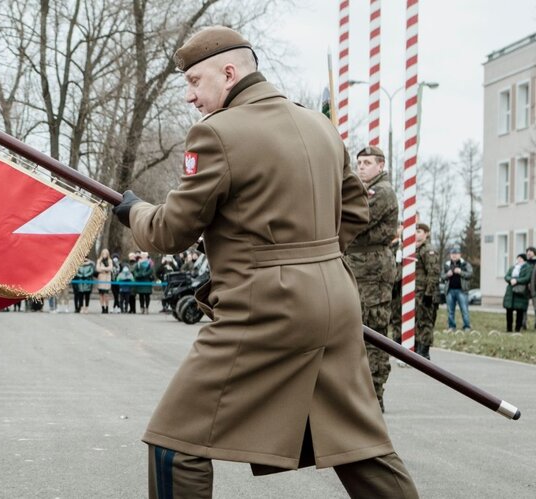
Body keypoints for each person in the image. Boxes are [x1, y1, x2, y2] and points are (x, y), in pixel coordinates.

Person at [112, 26, 418, 498]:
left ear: (229, 73)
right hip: (335, 301)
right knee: (359, 443)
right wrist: (308, 257)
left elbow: (170, 232)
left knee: (176, 439)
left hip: (267, 306)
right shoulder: (319, 125)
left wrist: (134, 211)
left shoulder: (216, 133)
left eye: (195, 81)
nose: (190, 96)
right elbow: (354, 209)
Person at [345, 145, 399, 412]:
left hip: (373, 272)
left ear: (381, 165)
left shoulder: (382, 192)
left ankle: (374, 397)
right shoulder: (363, 191)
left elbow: (356, 218)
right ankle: (360, 396)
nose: (362, 167)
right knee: (357, 332)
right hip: (358, 268)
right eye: (359, 163)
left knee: (374, 335)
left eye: (367, 163)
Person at [414, 224, 440, 359]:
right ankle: (418, 349)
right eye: (415, 231)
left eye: (419, 231)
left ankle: (424, 352)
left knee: (425, 323)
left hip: (426, 294)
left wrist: (429, 294)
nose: (416, 234)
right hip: (417, 294)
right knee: (417, 322)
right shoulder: (416, 250)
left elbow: (433, 274)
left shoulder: (428, 250)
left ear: (426, 234)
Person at [441, 246, 474, 331]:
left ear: (460, 255)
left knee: (464, 310)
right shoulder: (447, 265)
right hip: (450, 291)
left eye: (456, 254)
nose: (454, 256)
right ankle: (451, 326)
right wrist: (447, 275)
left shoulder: (465, 264)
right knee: (450, 311)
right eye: (452, 254)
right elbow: (442, 277)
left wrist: (461, 272)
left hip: (462, 291)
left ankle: (467, 326)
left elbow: (470, 274)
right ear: (450, 255)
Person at [503, 254, 531, 332]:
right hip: (510, 292)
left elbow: (527, 278)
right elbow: (506, 276)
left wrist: (517, 280)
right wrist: (511, 279)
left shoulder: (527, 267)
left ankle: (517, 328)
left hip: (520, 292)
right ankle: (509, 328)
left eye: (520, 258)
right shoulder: (513, 267)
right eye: (517, 258)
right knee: (509, 310)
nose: (518, 260)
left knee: (520, 311)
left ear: (523, 259)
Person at [96, 249, 114, 313]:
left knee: (106, 294)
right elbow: (97, 269)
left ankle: (107, 307)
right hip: (101, 279)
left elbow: (110, 268)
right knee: (101, 294)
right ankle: (102, 307)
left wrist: (103, 269)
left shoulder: (110, 261)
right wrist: (105, 269)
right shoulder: (99, 261)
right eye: (103, 253)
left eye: (106, 253)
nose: (104, 254)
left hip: (107, 279)